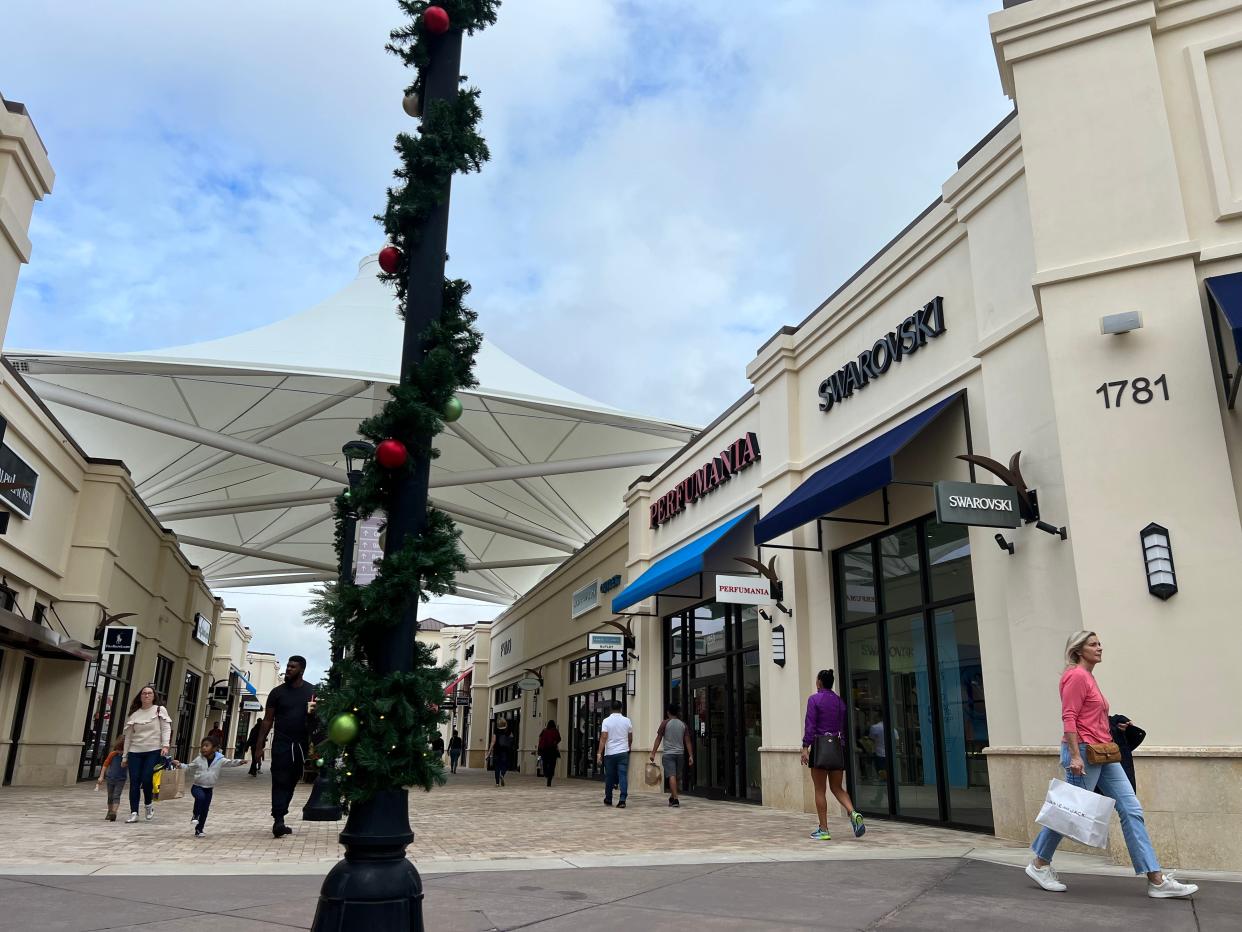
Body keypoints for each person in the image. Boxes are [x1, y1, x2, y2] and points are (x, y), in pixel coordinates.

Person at [1026, 631, 1197, 899]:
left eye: (1099, 643)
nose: (1099, 648)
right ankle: (1039, 863)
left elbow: (1088, 716)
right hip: (1083, 752)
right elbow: (1069, 717)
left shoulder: (1090, 677)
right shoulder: (1076, 676)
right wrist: (1075, 756)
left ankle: (1156, 879)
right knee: (1069, 811)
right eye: (1093, 644)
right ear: (1079, 650)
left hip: (1105, 752)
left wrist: (1113, 724)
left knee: (1132, 809)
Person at [256, 655, 316, 838]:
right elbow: (267, 721)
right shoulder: (277, 693)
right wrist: (259, 746)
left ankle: (281, 813)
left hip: (301, 744)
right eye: (288, 666)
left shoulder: (311, 692)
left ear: (302, 670)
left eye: (293, 667)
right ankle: (278, 819)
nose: (289, 669)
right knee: (280, 779)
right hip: (282, 742)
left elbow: (316, 721)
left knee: (292, 779)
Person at [801, 670, 865, 841]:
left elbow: (810, 725)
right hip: (836, 749)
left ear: (819, 682)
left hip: (820, 749)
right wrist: (840, 746)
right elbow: (841, 729)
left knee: (820, 790)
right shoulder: (839, 702)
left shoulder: (814, 699)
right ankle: (853, 813)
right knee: (837, 788)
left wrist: (805, 747)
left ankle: (823, 829)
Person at [121, 684, 172, 824]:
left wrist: (165, 745)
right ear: (140, 696)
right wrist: (125, 756)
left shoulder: (159, 710)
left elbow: (166, 728)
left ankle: (148, 805)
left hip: (153, 750)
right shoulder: (134, 714)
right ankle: (134, 812)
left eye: (150, 693)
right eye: (144, 693)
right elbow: (129, 737)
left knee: (146, 778)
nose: (147, 695)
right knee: (134, 782)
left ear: (154, 696)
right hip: (135, 752)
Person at [178, 736, 246, 837]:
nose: (204, 748)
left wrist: (239, 762)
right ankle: (195, 814)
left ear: (214, 748)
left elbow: (230, 763)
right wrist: (179, 765)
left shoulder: (220, 759)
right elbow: (188, 767)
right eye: (202, 746)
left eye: (206, 746)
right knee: (200, 797)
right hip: (197, 787)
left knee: (205, 809)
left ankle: (199, 830)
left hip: (209, 789)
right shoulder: (199, 759)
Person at [649, 703, 694, 807]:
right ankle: (673, 796)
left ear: (668, 712)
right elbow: (687, 741)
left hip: (668, 754)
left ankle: (675, 799)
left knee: (672, 776)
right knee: (677, 776)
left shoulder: (665, 723)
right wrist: (691, 755)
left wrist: (653, 753)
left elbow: (658, 738)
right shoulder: (683, 724)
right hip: (680, 754)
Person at [596, 700, 632, 808]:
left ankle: (608, 798)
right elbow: (630, 737)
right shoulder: (627, 721)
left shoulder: (606, 721)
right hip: (623, 752)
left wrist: (599, 753)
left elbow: (603, 738)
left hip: (610, 753)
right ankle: (622, 799)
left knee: (609, 777)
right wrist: (628, 746)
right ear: (621, 709)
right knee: (622, 775)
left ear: (611, 709)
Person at [95, 737, 127, 821]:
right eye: (118, 749)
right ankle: (109, 811)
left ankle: (114, 812)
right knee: (110, 796)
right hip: (110, 778)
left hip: (121, 779)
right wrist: (101, 776)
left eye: (122, 750)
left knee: (116, 795)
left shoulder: (127, 757)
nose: (120, 752)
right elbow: (105, 765)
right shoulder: (112, 754)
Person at [487, 719, 514, 786]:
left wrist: (489, 752)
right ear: (505, 724)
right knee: (505, 765)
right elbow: (512, 740)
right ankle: (502, 774)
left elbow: (493, 742)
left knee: (497, 767)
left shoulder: (496, 731)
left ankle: (497, 783)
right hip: (505, 751)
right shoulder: (509, 731)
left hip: (497, 751)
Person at [537, 720, 562, 787]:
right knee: (552, 765)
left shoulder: (544, 731)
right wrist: (555, 742)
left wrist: (539, 749)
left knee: (545, 763)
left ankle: (546, 774)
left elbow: (540, 738)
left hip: (545, 750)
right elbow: (559, 739)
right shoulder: (555, 731)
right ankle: (549, 779)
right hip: (553, 750)